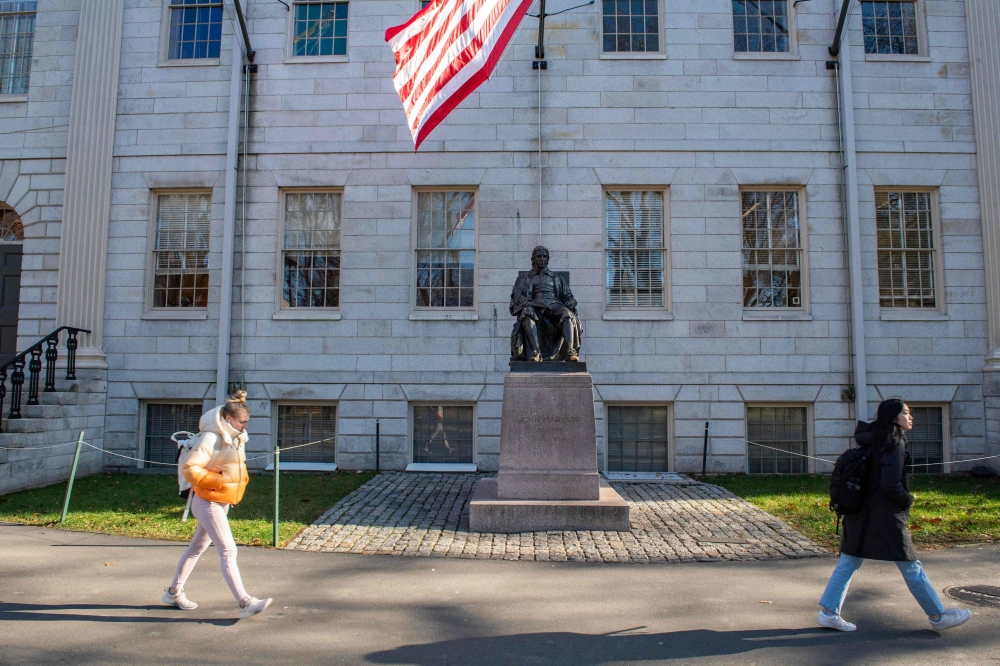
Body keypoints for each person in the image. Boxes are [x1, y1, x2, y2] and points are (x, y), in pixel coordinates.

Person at [817, 398, 971, 632]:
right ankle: (938, 615)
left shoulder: (872, 439)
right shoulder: (893, 442)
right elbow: (890, 483)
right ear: (893, 418)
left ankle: (829, 612)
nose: (911, 417)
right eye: (906, 413)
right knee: (911, 565)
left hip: (858, 511)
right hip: (885, 516)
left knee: (848, 562)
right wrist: (908, 499)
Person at [162, 391, 273, 618]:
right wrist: (221, 482)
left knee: (196, 548)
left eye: (246, 422)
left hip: (219, 501)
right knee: (228, 550)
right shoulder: (211, 438)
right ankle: (245, 602)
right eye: (242, 422)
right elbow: (191, 469)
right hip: (208, 501)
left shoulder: (234, 437)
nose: (245, 426)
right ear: (229, 419)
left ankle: (173, 592)